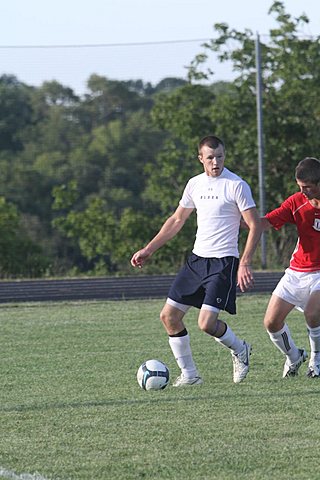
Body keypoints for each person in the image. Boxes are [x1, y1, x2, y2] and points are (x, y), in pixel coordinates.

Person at [131, 135, 261, 386]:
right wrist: (149, 249)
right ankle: (190, 375)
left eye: (220, 156)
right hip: (197, 260)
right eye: (210, 157)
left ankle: (240, 349)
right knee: (169, 317)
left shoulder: (236, 185)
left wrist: (245, 262)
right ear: (200, 158)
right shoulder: (194, 184)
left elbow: (255, 226)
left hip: (223, 262)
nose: (216, 162)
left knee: (206, 323)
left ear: (225, 156)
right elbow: (177, 220)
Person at [261, 157, 320, 378]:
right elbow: (267, 221)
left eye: (307, 187)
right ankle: (295, 356)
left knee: (313, 314)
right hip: (297, 271)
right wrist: (241, 220)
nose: (303, 191)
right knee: (271, 322)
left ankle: (316, 359)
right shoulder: (297, 202)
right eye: (300, 187)